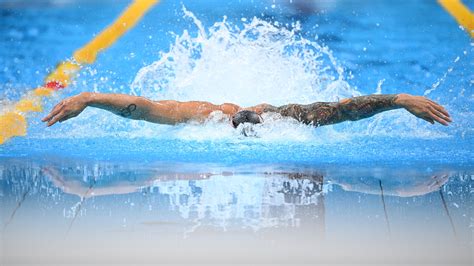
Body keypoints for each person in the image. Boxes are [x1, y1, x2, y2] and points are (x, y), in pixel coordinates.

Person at [42, 92, 451, 129]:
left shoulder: (285, 117)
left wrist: (399, 101)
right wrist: (89, 98)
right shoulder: (204, 117)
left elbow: (344, 110)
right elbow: (147, 108)